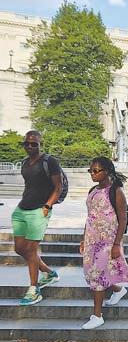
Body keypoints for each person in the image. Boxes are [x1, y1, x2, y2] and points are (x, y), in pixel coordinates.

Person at [79, 157, 128, 329]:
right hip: (92, 240)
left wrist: (117, 244)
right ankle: (118, 290)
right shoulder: (93, 190)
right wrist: (83, 238)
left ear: (107, 171)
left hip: (108, 242)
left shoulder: (116, 191)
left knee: (97, 274)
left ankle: (97, 316)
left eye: (96, 170)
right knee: (94, 272)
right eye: (90, 171)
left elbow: (122, 219)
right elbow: (90, 217)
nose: (92, 174)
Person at [11, 131, 62, 306]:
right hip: (21, 210)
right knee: (20, 249)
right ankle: (50, 273)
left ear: (40, 144)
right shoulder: (24, 163)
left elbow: (58, 187)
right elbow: (29, 186)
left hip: (39, 211)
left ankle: (34, 290)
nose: (30, 146)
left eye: (34, 144)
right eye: (27, 143)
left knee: (31, 250)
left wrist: (47, 205)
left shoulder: (50, 161)